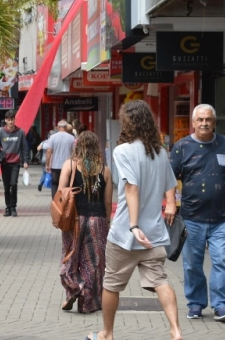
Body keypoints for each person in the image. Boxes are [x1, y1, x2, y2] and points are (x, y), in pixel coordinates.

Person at [86, 100, 182, 340]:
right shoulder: (159, 151)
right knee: (160, 281)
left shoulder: (123, 150)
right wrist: (170, 204)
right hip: (156, 234)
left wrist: (134, 225)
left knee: (111, 284)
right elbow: (171, 185)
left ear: (127, 123)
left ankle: (106, 334)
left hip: (126, 235)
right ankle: (176, 330)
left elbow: (131, 188)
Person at [170, 103, 225, 322]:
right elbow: (169, 178)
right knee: (192, 264)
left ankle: (220, 306)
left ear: (214, 122)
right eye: (200, 120)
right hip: (192, 218)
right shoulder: (182, 146)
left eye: (208, 119)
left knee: (221, 261)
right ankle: (196, 304)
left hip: (221, 218)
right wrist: (171, 203)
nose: (204, 123)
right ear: (193, 123)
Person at [57, 131, 112, 314]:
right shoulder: (105, 170)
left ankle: (75, 288)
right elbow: (108, 202)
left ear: (77, 146)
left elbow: (60, 192)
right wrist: (108, 222)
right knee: (94, 263)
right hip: (97, 221)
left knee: (70, 258)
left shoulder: (69, 165)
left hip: (74, 220)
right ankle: (88, 303)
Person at [0, 110, 30, 217]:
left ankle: (13, 207)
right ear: (5, 120)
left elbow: (24, 148)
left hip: (15, 163)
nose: (10, 122)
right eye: (8, 120)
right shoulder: (0, 132)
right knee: (6, 186)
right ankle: (7, 207)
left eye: (12, 119)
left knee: (14, 184)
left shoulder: (20, 132)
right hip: (5, 163)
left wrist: (25, 161)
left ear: (14, 120)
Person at [45, 120, 75, 197]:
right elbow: (74, 153)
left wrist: (47, 164)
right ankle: (65, 202)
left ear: (58, 127)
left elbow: (49, 152)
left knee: (54, 184)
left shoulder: (52, 137)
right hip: (68, 166)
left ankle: (55, 202)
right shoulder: (71, 138)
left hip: (55, 166)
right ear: (65, 127)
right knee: (66, 185)